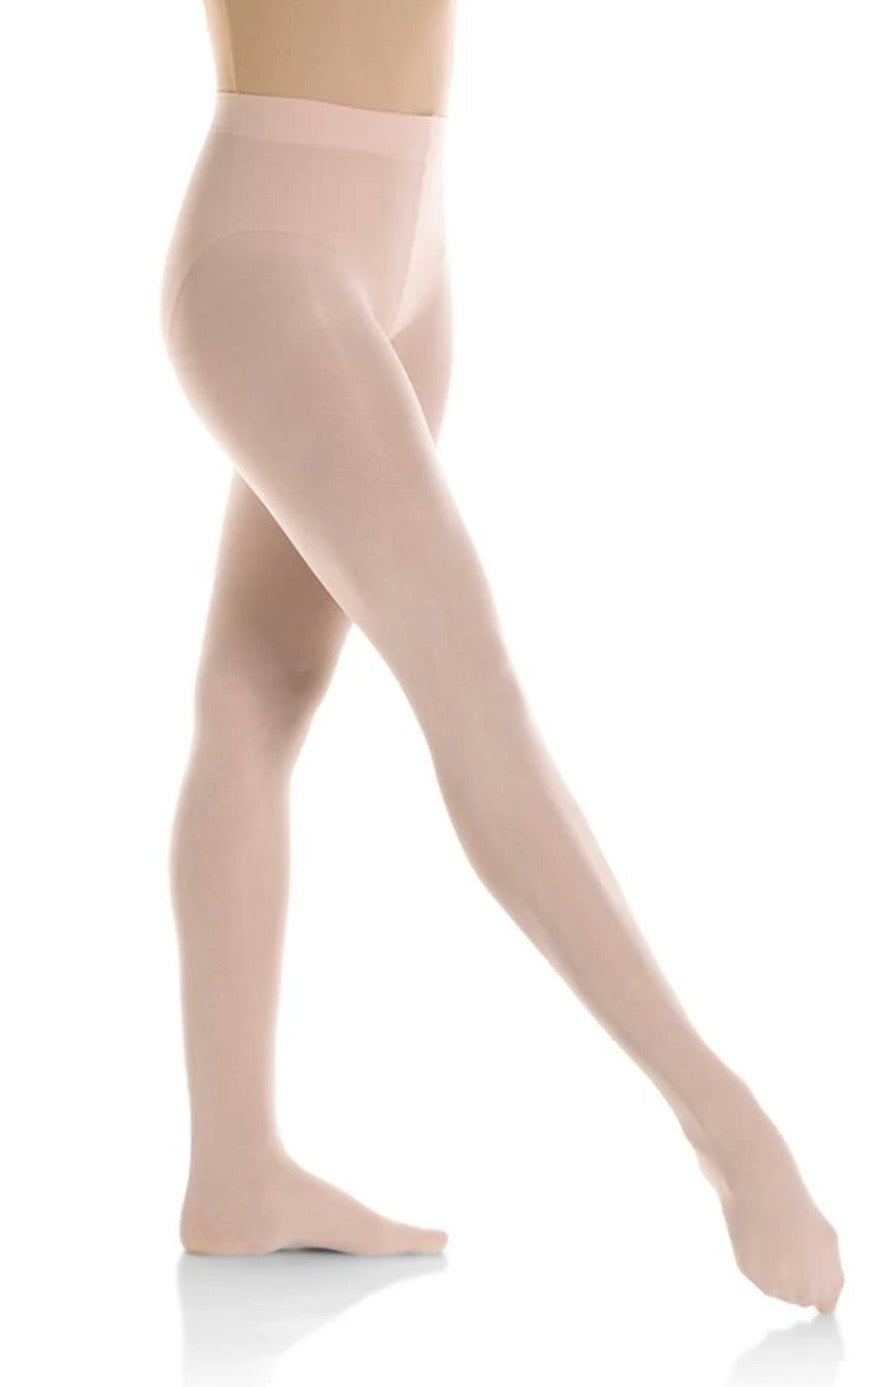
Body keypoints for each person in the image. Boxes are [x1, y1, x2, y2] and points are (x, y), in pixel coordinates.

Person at [159, 0, 843, 1312]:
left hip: (404, 244)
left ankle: (235, 1170)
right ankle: (723, 1122)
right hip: (274, 248)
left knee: (256, 691)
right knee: (470, 687)